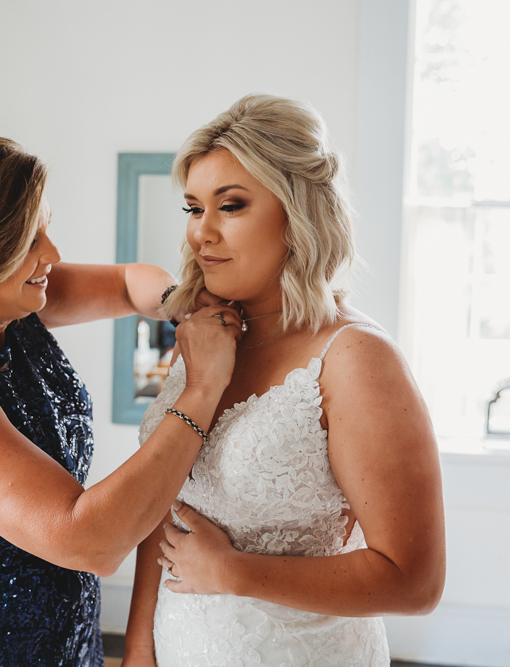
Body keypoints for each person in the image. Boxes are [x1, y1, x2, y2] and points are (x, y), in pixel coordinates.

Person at [0, 127, 242, 666]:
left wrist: (181, 303)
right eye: (30, 240)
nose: (51, 254)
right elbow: (92, 540)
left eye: (45, 230)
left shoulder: (8, 309)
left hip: (67, 637)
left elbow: (130, 283)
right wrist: (202, 388)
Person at [122, 95, 447, 667]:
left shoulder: (355, 359)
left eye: (232, 205)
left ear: (298, 216)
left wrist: (232, 571)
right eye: (194, 208)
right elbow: (164, 506)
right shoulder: (204, 338)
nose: (203, 233)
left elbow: (415, 581)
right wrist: (139, 651)